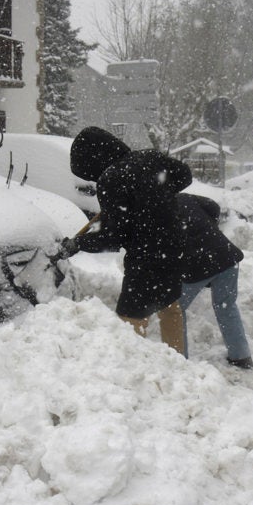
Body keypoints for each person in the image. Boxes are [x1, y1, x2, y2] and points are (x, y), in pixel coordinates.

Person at [63, 127, 191, 355]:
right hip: (174, 247)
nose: (93, 178)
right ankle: (179, 361)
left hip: (146, 255)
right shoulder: (150, 158)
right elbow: (185, 175)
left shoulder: (110, 179)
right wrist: (156, 195)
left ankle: (133, 372)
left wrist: (80, 244)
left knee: (130, 317)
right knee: (169, 306)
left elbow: (115, 236)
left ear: (95, 160)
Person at [176, 192, 253, 368]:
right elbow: (213, 206)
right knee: (226, 306)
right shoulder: (183, 197)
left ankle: (179, 361)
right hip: (226, 256)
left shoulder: (155, 211)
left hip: (199, 264)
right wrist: (209, 227)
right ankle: (241, 357)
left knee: (174, 309)